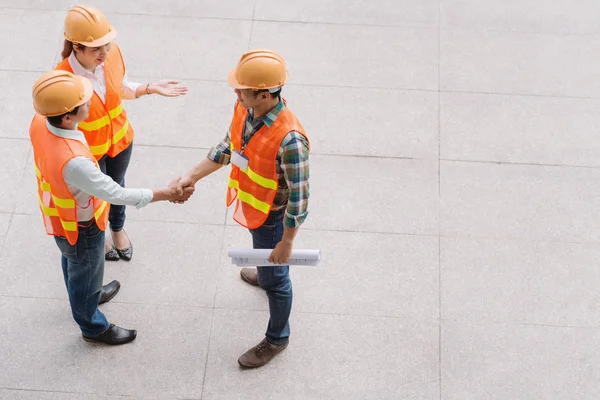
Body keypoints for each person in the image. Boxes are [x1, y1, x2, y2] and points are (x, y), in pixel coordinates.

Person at [29, 70, 193, 345]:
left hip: (61, 215)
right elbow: (115, 193)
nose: (90, 99)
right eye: (84, 99)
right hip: (82, 225)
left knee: (74, 261)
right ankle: (92, 326)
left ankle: (87, 292)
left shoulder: (40, 121)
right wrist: (165, 193)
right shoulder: (74, 161)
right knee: (84, 264)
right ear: (68, 116)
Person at [172, 49, 310, 367]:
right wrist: (192, 175)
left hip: (274, 219)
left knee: (278, 279)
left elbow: (300, 201)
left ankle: (277, 338)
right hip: (254, 207)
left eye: (242, 88)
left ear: (264, 94)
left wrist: (285, 244)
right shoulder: (245, 106)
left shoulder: (290, 141)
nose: (236, 92)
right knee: (265, 259)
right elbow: (230, 146)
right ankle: (265, 271)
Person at [56, 5, 188, 261]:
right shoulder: (62, 79)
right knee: (98, 196)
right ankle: (102, 234)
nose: (104, 53)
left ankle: (117, 229)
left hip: (120, 141)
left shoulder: (112, 55)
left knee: (118, 186)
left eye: (106, 45)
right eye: (96, 48)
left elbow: (122, 87)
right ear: (76, 47)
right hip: (88, 154)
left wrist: (149, 88)